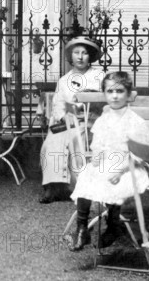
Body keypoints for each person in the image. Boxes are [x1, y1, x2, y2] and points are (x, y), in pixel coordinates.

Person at [68, 71, 149, 251]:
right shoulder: (103, 120)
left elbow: (141, 155)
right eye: (110, 91)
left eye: (120, 91)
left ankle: (113, 225)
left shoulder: (135, 121)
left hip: (130, 167)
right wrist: (96, 159)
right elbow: (98, 146)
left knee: (116, 181)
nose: (114, 96)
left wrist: (120, 171)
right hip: (108, 162)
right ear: (105, 94)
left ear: (128, 95)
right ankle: (82, 228)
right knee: (86, 175)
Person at [39, 36, 105, 204]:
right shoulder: (64, 80)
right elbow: (58, 104)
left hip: (90, 120)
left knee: (76, 138)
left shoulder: (100, 76)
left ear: (90, 56)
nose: (80, 57)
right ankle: (52, 187)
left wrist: (89, 100)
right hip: (68, 120)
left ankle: (77, 188)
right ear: (71, 56)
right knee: (51, 142)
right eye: (76, 53)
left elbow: (107, 100)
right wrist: (63, 116)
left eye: (84, 53)